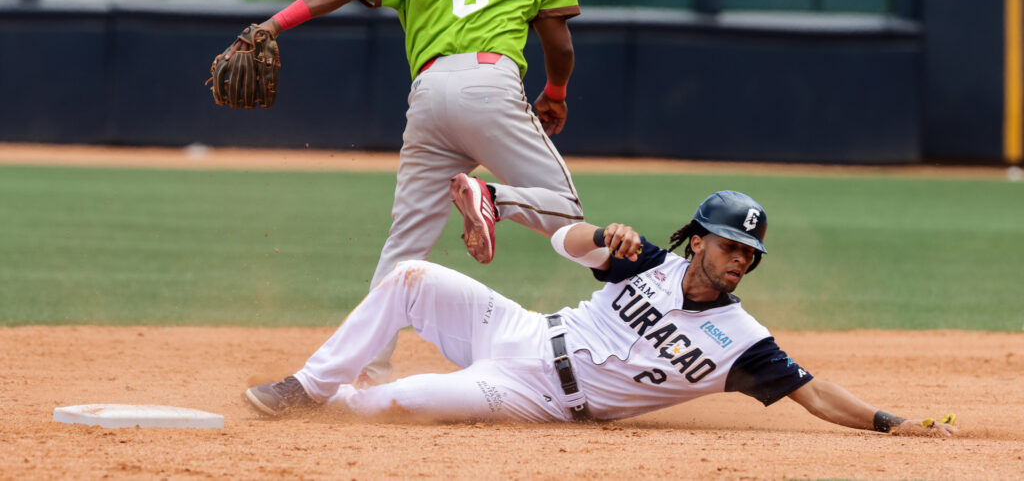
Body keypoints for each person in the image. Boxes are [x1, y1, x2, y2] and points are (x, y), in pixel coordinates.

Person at [223, 0, 586, 382]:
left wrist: (275, 25)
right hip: (491, 84)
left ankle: (369, 367)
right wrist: (555, 92)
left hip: (429, 94)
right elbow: (560, 41)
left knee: (406, 243)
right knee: (569, 216)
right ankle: (493, 200)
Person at [244, 190, 958, 437]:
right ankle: (304, 386)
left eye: (750, 251)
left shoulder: (743, 343)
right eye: (731, 243)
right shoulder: (647, 259)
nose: (741, 257)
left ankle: (341, 396)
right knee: (410, 276)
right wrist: (599, 233)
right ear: (699, 239)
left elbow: (815, 390)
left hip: (531, 397)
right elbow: (564, 240)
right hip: (521, 330)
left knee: (385, 406)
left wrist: (888, 421)